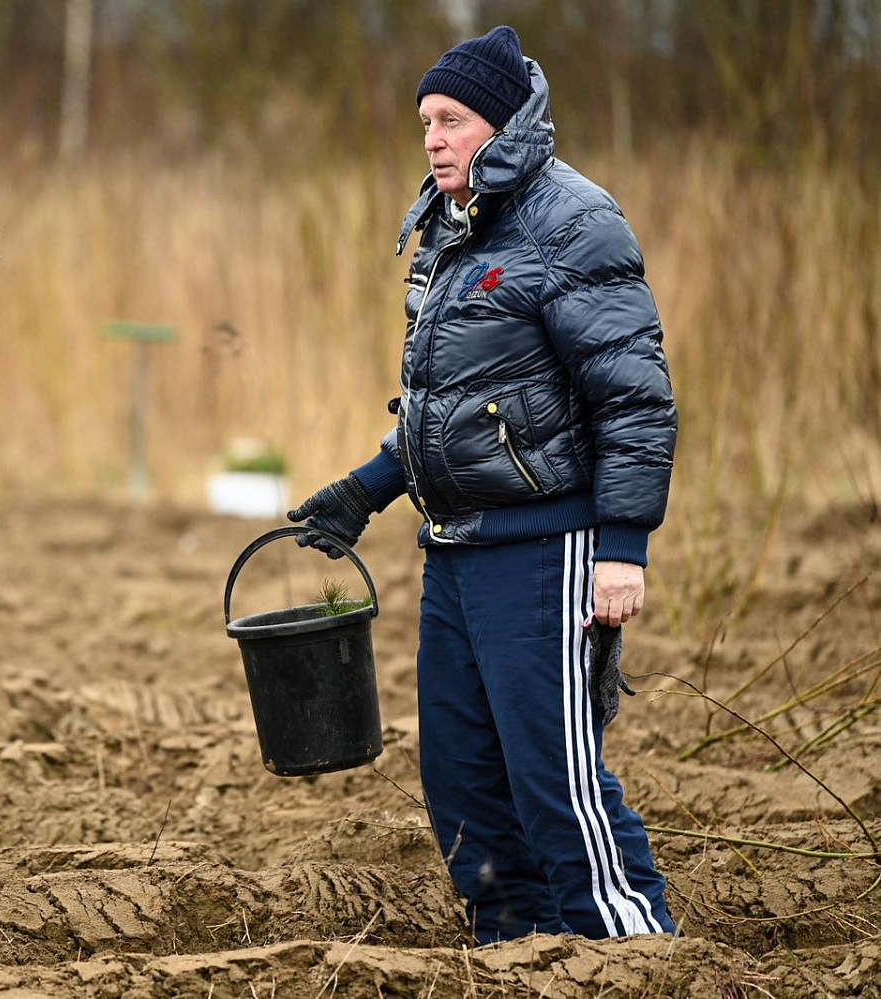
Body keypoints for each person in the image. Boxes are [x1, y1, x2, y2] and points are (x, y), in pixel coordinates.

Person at [288, 26, 677, 942]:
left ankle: (635, 955)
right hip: (455, 551)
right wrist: (367, 487)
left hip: (547, 546)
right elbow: (456, 403)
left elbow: (635, 396)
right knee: (462, 781)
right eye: (426, 120)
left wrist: (623, 547)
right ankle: (517, 952)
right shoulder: (448, 227)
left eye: (453, 120)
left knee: (554, 777)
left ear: (504, 124)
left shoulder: (572, 222)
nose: (433, 139)